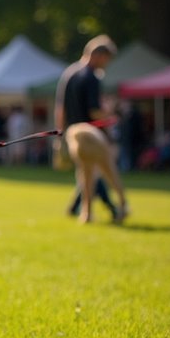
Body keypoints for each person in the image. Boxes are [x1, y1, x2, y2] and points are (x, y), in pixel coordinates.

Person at [55, 35, 124, 220]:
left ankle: (81, 208)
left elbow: (60, 108)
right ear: (99, 55)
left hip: (71, 133)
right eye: (107, 59)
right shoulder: (92, 77)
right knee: (99, 171)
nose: (107, 64)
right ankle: (114, 207)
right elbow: (94, 112)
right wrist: (111, 116)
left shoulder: (69, 73)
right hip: (88, 133)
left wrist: (59, 134)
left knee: (87, 173)